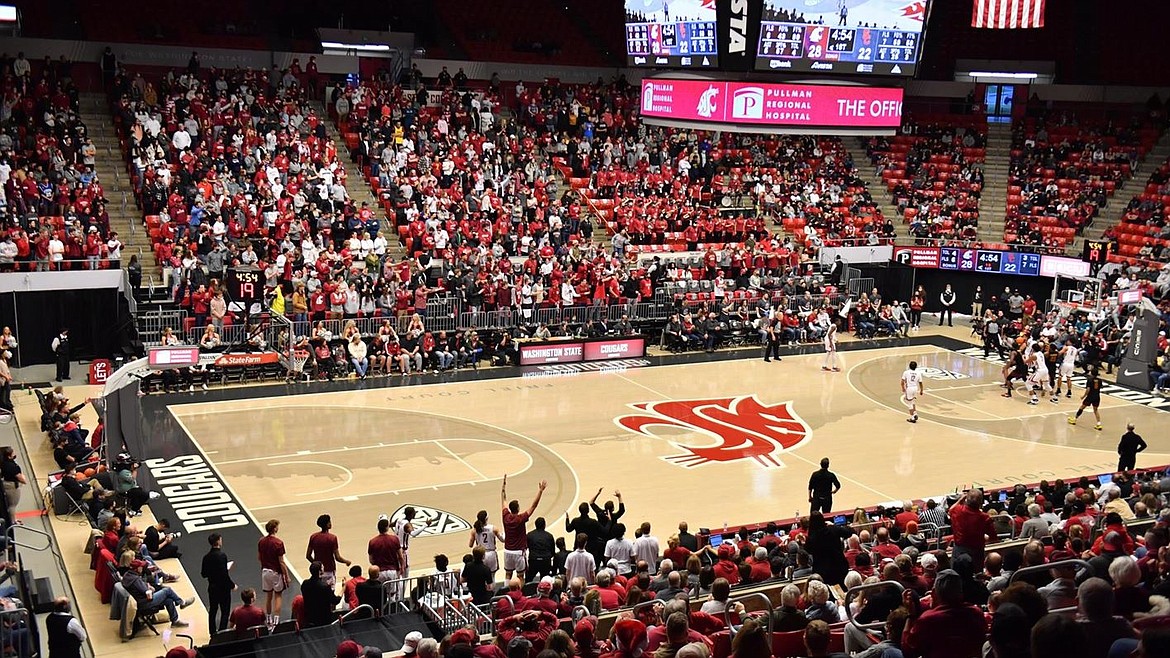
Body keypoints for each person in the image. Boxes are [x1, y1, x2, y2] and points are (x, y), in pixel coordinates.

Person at [900, 569, 985, 658]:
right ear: (961, 593)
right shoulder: (976, 614)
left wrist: (910, 615)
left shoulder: (927, 620)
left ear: (933, 593)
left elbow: (908, 650)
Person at [121, 559, 195, 627]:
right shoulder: (135, 579)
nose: (142, 568)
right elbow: (146, 592)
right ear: (137, 569)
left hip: (139, 601)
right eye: (141, 567)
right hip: (145, 603)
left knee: (168, 600)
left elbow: (141, 587)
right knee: (167, 590)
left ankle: (175, 621)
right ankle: (182, 603)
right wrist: (150, 588)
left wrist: (147, 585)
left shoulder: (128, 575)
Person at [501, 475, 548, 581]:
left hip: (507, 550)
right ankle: (519, 596)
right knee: (520, 576)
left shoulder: (505, 516)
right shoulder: (520, 518)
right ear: (518, 509)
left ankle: (506, 593)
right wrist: (540, 491)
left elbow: (503, 501)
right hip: (518, 552)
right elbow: (534, 506)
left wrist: (503, 489)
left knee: (508, 574)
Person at [949, 489, 996, 570]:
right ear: (981, 502)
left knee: (956, 575)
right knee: (976, 575)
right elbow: (993, 537)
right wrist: (984, 538)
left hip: (959, 550)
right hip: (977, 552)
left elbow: (950, 510)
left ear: (967, 500)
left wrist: (961, 499)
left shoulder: (958, 510)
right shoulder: (985, 517)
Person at [258, 519, 290, 626]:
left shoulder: (261, 541)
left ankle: (268, 618)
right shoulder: (279, 543)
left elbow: (259, 557)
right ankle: (276, 621)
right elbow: (281, 562)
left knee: (268, 596)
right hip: (275, 572)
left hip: (265, 571)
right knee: (278, 595)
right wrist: (287, 576)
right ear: (275, 528)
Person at [201, 533, 235, 633]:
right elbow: (224, 575)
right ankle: (222, 631)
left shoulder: (206, 557)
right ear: (218, 541)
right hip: (223, 588)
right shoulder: (222, 556)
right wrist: (232, 585)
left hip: (212, 587)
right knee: (225, 611)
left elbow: (204, 574)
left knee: (213, 610)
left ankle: (212, 632)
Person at [306, 514, 352, 587]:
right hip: (329, 570)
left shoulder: (313, 537)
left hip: (318, 571)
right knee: (329, 592)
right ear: (327, 524)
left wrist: (316, 565)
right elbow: (337, 557)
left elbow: (308, 556)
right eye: (329, 522)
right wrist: (346, 561)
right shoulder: (332, 538)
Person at [300, 561, 341, 627]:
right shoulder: (325, 587)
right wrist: (343, 589)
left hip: (309, 618)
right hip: (324, 620)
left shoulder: (305, 584)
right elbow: (335, 601)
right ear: (320, 571)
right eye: (322, 567)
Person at [1, 446, 27, 524]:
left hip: (6, 483)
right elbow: (21, 479)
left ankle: (12, 519)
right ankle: (12, 522)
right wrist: (23, 478)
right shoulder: (12, 466)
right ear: (9, 456)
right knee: (12, 505)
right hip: (12, 486)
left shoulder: (3, 463)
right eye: (13, 453)